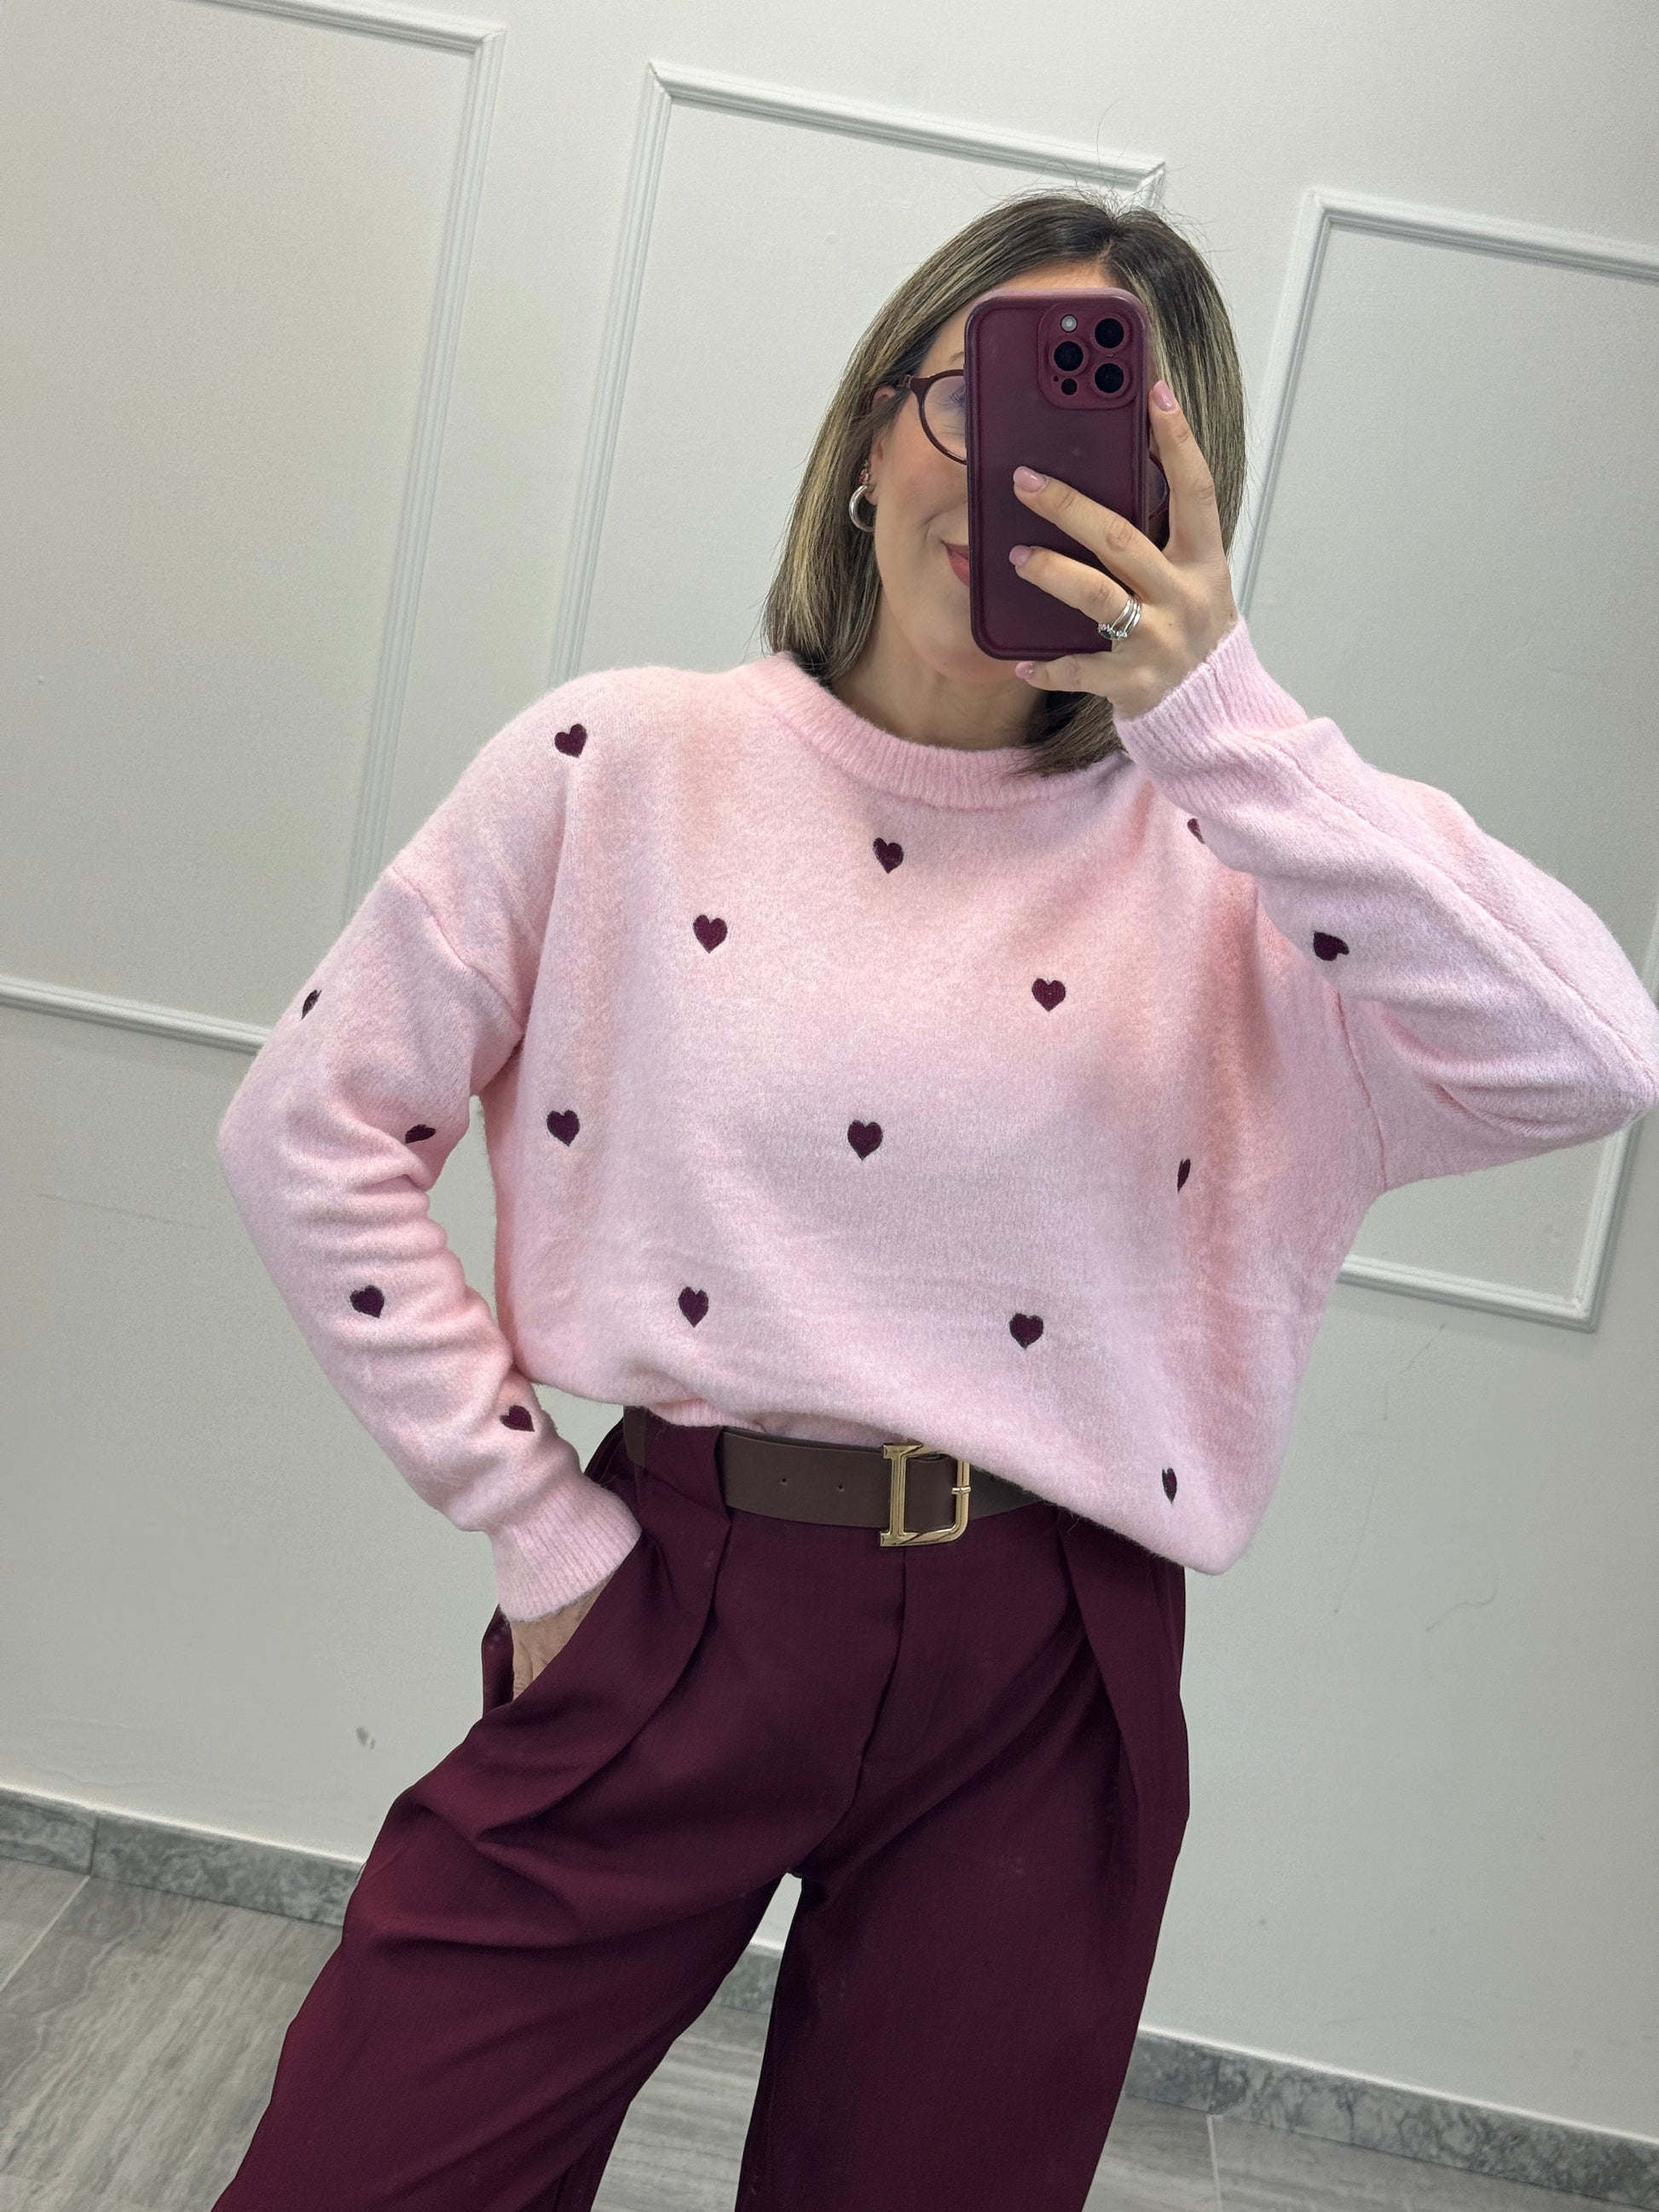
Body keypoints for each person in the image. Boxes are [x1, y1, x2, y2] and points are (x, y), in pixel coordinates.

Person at [209, 189, 1659, 2211]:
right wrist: (529, 1521)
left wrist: (1221, 717)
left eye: (1108, 429)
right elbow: (307, 1124)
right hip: (677, 1588)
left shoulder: (1240, 862)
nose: (1022, 477)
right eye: (981, 401)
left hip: (1045, 1655)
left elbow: (1590, 1054)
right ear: (868, 436)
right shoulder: (621, 762)